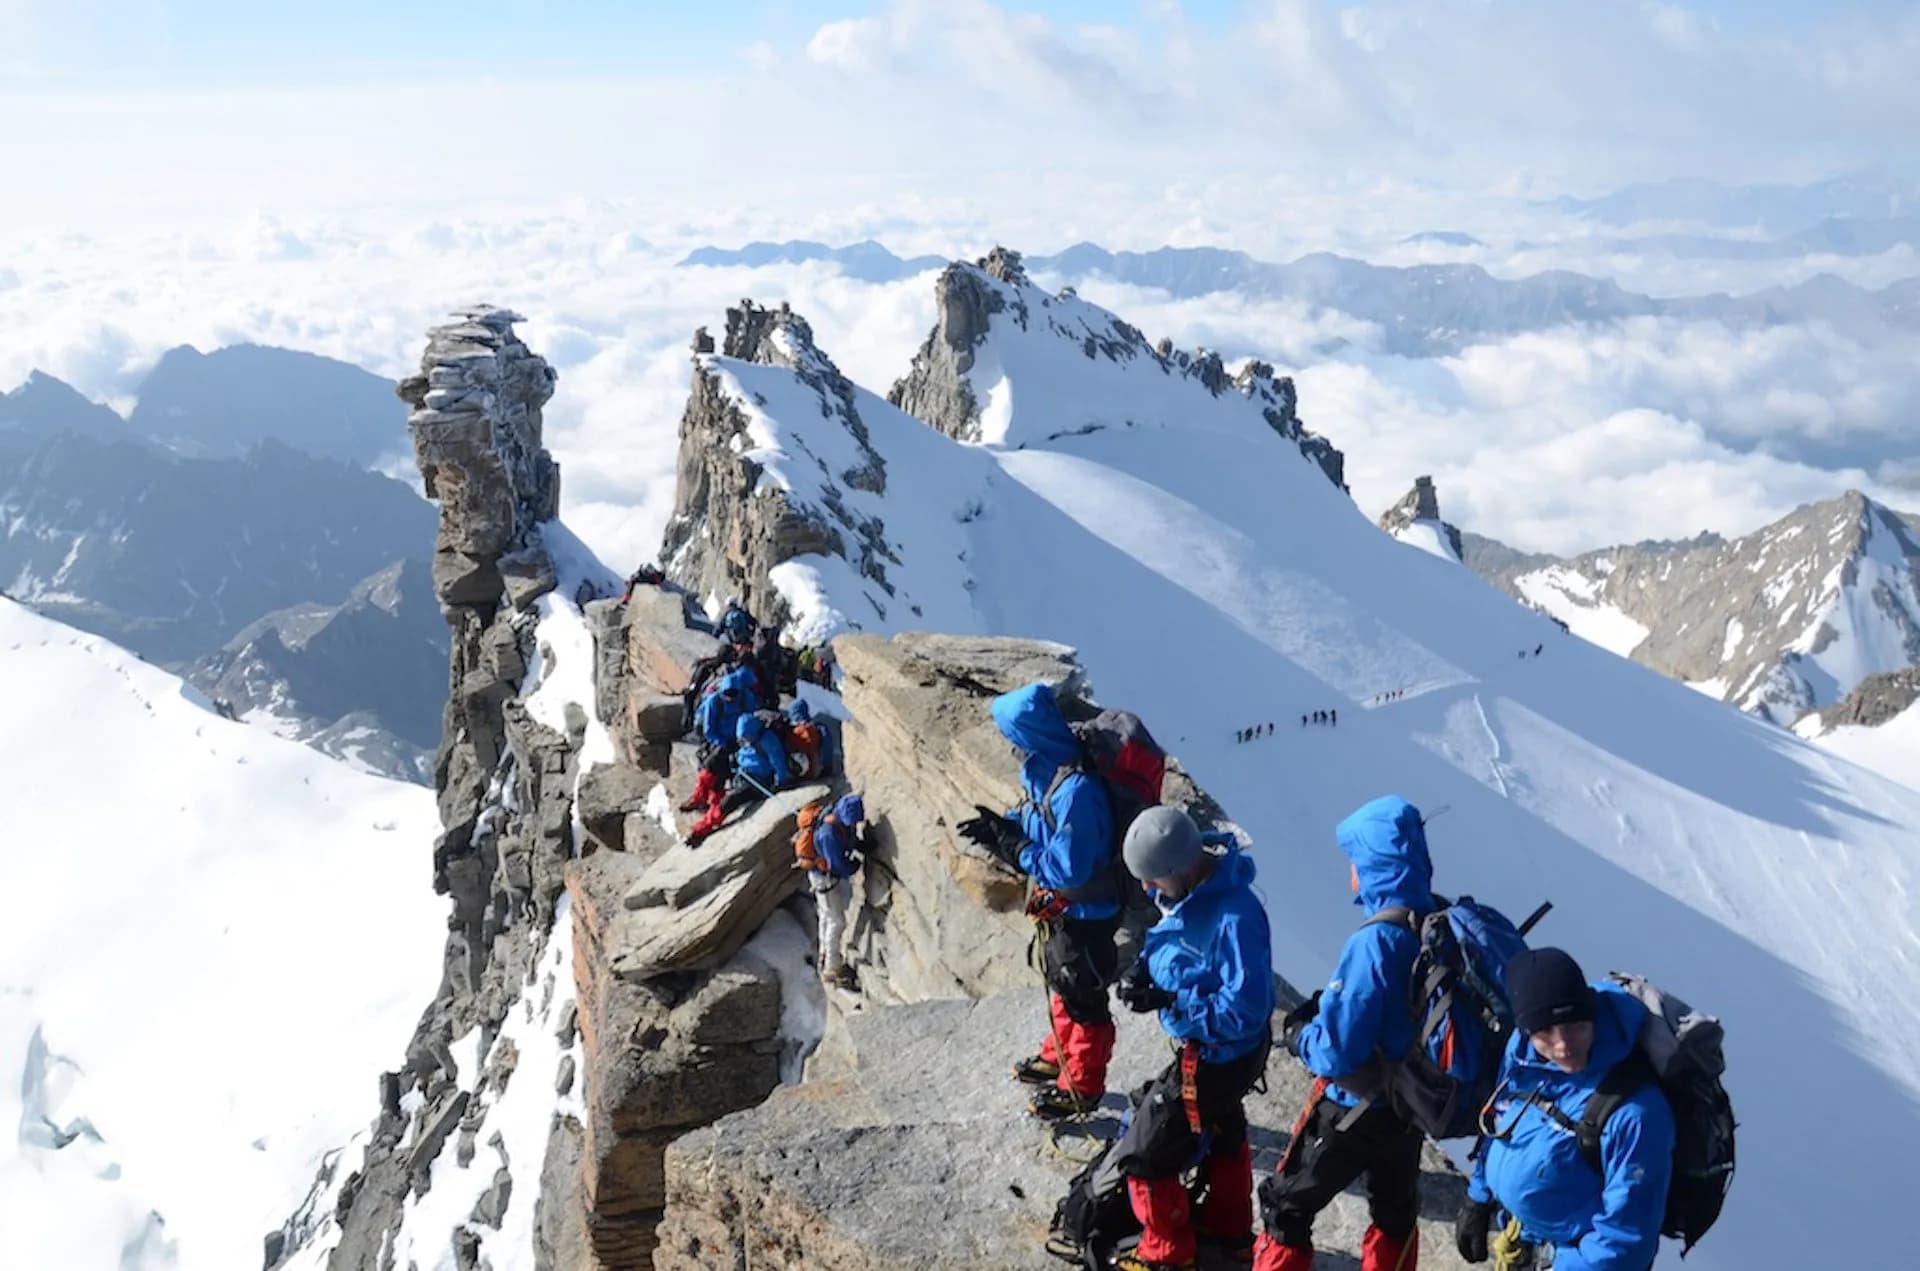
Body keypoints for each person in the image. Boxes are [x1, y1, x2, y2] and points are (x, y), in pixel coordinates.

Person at [1253, 796, 1433, 1271]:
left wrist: (1298, 1035)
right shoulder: (1436, 921)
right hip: (1409, 1105)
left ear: (1370, 868)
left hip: (1354, 1108)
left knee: (1285, 1205)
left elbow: (1335, 1052)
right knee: (1395, 1212)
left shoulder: (1374, 943)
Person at [1100, 808, 1274, 1271]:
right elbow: (1180, 934)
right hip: (1222, 1056)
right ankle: (1231, 1229)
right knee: (1222, 1128)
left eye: (1152, 879)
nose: (1145, 889)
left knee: (1146, 1154)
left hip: (1219, 1056)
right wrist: (1147, 969)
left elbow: (1246, 1011)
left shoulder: (1236, 918)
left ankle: (1167, 1254)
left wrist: (1171, 1000)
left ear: (1178, 868)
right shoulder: (1195, 888)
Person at [957, 682, 1119, 1121]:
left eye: (1012, 735)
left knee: (1084, 998)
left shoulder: (1077, 791)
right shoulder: (1045, 766)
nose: (1009, 745)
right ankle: (1059, 1056)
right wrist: (1002, 826)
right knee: (1063, 983)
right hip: (1064, 908)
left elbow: (1071, 868)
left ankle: (1083, 1085)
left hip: (1086, 911)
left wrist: (1017, 850)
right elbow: (1035, 815)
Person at [1455, 948, 1674, 1271]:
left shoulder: (1635, 1112)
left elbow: (1626, 1240)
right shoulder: (1523, 1055)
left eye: (1575, 1026)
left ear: (1592, 1015)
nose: (1562, 1045)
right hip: (1527, 1238)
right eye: (1545, 1031)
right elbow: (1502, 1122)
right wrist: (1480, 1195)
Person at [797, 794, 867, 989]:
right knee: (837, 921)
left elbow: (846, 838)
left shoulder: (833, 814)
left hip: (820, 877)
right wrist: (855, 865)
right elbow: (837, 866)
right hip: (823, 879)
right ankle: (833, 968)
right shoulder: (828, 834)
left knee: (827, 917)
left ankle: (824, 956)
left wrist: (858, 845)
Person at [687, 711, 789, 844]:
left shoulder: (768, 740)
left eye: (746, 737)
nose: (744, 740)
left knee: (730, 800)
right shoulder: (750, 736)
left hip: (757, 780)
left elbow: (778, 762)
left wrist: (780, 783)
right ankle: (704, 798)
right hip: (742, 771)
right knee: (714, 766)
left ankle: (704, 827)